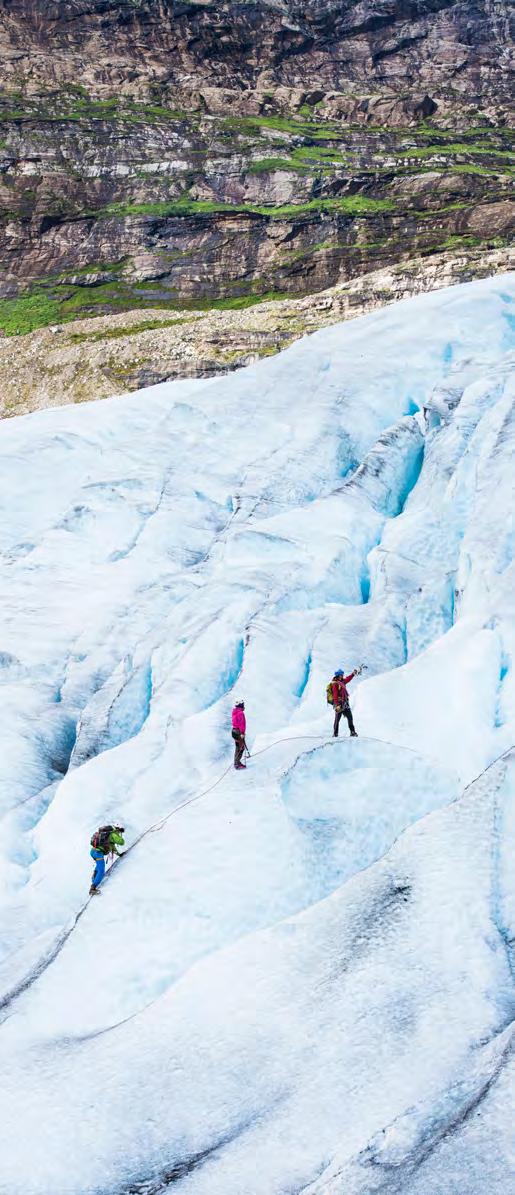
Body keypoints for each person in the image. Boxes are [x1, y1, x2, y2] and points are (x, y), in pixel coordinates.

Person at [89, 824, 125, 895]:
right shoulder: (113, 834)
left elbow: (112, 847)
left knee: (98, 867)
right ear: (118, 829)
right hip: (98, 853)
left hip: (94, 851)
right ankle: (92, 888)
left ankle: (94, 879)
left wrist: (119, 854)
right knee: (101, 870)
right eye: (121, 831)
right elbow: (121, 842)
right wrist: (118, 835)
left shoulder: (107, 835)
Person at [328, 669, 358, 738]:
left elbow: (348, 679)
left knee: (350, 717)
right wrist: (337, 705)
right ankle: (335, 734)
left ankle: (352, 732)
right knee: (337, 719)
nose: (343, 676)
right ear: (338, 675)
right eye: (341, 674)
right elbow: (335, 695)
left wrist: (353, 674)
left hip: (345, 703)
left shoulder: (342, 682)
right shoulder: (335, 683)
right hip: (339, 704)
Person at [231, 700, 247, 770]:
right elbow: (242, 724)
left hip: (234, 731)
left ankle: (236, 762)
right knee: (241, 748)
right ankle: (237, 763)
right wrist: (242, 733)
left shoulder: (235, 712)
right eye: (243, 704)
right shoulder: (240, 713)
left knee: (238, 747)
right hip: (238, 732)